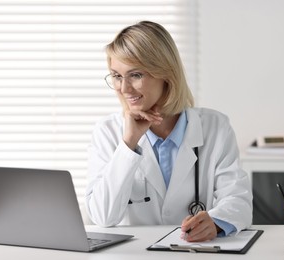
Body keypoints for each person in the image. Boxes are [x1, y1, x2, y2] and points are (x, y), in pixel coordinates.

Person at [85, 21, 252, 242]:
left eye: (135, 75)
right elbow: (103, 217)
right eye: (116, 76)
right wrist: (129, 143)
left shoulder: (215, 126)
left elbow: (238, 201)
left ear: (165, 73)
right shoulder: (108, 132)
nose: (124, 88)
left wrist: (216, 222)